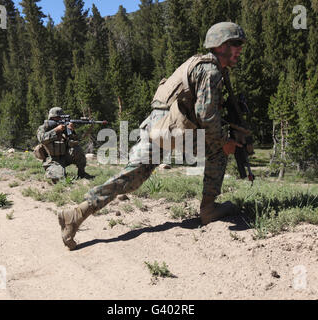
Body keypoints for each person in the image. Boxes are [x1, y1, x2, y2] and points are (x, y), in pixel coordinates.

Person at [58, 22, 247, 250]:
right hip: (172, 127)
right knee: (218, 150)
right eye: (236, 44)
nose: (240, 49)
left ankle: (76, 214)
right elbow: (206, 115)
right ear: (221, 45)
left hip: (160, 124)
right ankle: (208, 209)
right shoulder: (212, 71)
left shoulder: (201, 64)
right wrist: (225, 141)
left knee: (132, 178)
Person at [37, 107, 95, 184]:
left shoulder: (65, 128)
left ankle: (82, 173)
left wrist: (72, 131)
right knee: (59, 179)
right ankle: (52, 171)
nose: (59, 120)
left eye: (60, 118)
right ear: (51, 118)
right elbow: (42, 139)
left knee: (77, 149)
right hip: (52, 159)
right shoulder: (43, 127)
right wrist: (56, 130)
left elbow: (75, 141)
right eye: (57, 118)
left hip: (65, 157)